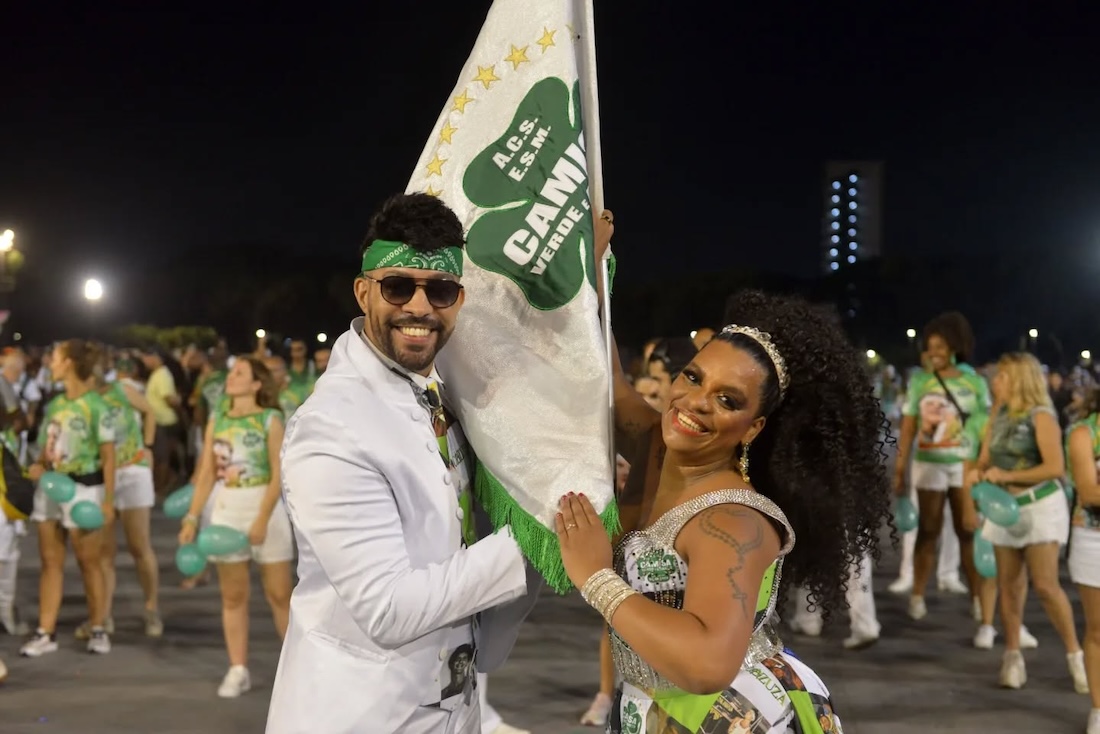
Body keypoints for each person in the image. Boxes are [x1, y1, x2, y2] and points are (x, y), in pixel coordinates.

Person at [559, 249, 890, 731]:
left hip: (728, 714)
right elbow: (608, 381)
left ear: (753, 428)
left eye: (727, 399)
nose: (695, 402)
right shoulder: (659, 446)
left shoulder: (734, 522)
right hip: (644, 707)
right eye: (693, 377)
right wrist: (591, 258)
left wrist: (594, 577)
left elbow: (707, 664)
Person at [266, 193, 539, 734]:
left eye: (440, 290)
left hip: (453, 705)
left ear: (459, 300)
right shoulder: (332, 427)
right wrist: (541, 530)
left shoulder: (436, 388)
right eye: (398, 287)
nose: (420, 307)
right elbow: (388, 609)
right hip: (363, 714)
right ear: (364, 290)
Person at [968, 353, 1085, 690]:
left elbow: (1055, 468)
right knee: (1009, 586)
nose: (995, 381)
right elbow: (985, 458)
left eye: (1002, 376)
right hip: (1004, 507)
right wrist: (979, 471)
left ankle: (1076, 657)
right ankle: (1012, 658)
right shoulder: (997, 414)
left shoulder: (1041, 416)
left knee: (1046, 586)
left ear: (1020, 379)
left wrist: (1007, 474)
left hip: (1040, 506)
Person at [179, 356, 293, 698]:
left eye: (239, 373)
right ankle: (237, 668)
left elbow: (278, 473)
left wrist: (261, 519)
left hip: (265, 508)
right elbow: (204, 474)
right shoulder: (218, 418)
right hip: (227, 509)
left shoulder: (270, 419)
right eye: (231, 372)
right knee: (233, 596)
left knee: (279, 596)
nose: (231, 377)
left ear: (257, 384)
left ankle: (296, 673)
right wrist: (192, 518)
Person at [21, 339, 116, 657]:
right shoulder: (56, 405)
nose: (50, 362)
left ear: (70, 363)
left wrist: (108, 501)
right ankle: (45, 632)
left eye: (56, 358)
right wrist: (40, 466)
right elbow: (49, 448)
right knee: (50, 562)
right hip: (51, 488)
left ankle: (98, 627)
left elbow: (109, 457)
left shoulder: (97, 405)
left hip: (84, 490)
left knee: (89, 562)